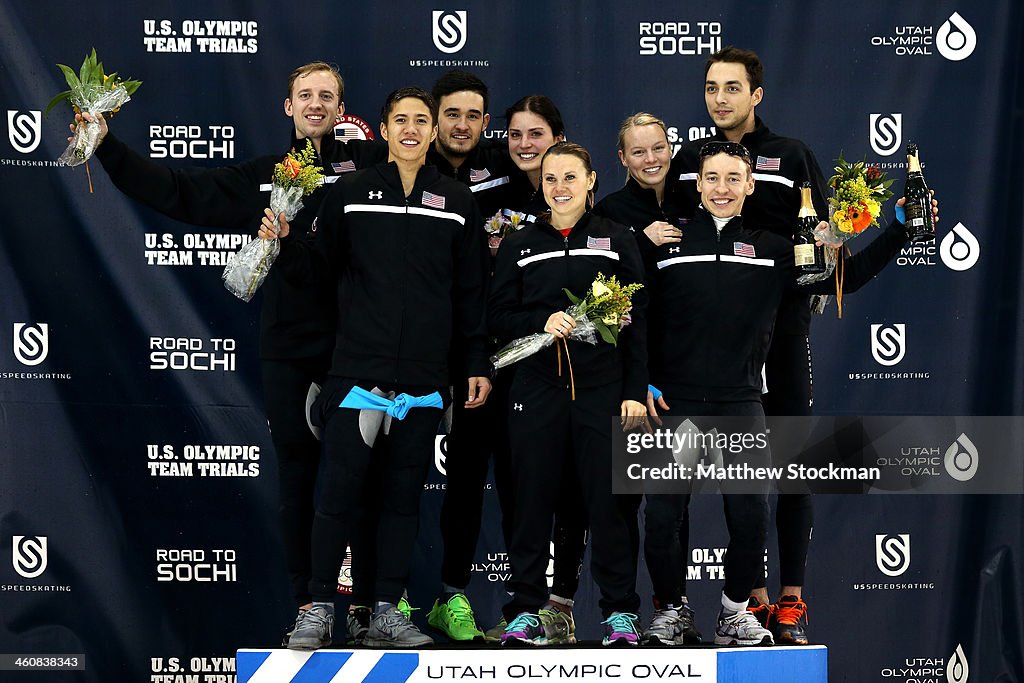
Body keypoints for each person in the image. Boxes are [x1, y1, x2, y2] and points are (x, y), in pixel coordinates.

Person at [76, 62, 381, 644]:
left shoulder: (369, 173)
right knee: (297, 479)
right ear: (287, 107)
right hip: (290, 348)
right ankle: (307, 605)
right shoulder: (265, 177)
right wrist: (107, 145)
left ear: (343, 111)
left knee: (363, 479)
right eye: (305, 95)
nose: (316, 104)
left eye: (327, 96)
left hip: (359, 351)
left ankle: (368, 606)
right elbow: (181, 194)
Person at [645, 141, 931, 645]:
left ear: (750, 186)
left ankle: (734, 612)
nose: (722, 188)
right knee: (663, 517)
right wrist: (638, 381)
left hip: (741, 403)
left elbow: (846, 276)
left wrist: (901, 230)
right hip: (678, 406)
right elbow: (634, 316)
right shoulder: (665, 245)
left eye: (734, 178)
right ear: (696, 184)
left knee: (751, 517)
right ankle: (671, 612)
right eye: (712, 178)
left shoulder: (775, 249)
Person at [268, 86, 491, 650]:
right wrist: (287, 243)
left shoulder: (459, 202)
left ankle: (388, 610)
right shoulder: (350, 193)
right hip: (357, 374)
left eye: (422, 120)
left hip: (421, 379)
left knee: (401, 498)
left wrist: (472, 363)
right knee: (336, 494)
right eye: (401, 120)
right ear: (385, 131)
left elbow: (470, 295)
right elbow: (319, 273)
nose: (413, 129)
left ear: (433, 132)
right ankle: (318, 608)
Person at [488, 142, 648, 647]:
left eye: (570, 177)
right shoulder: (520, 243)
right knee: (532, 503)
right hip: (536, 392)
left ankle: (619, 612)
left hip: (602, 393)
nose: (560, 188)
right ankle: (525, 610)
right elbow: (497, 317)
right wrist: (541, 320)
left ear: (591, 179)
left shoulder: (617, 238)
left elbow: (637, 325)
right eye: (551, 178)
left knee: (609, 506)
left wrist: (634, 393)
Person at [592, 112, 700, 646]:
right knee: (628, 504)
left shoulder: (697, 197)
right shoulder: (611, 212)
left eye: (658, 148)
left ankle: (672, 607)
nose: (651, 159)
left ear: (671, 146)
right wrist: (640, 238)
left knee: (675, 504)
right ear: (621, 160)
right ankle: (623, 612)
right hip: (637, 381)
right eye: (638, 152)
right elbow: (611, 306)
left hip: (692, 375)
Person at [425, 71, 524, 642]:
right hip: (436, 352)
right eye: (452, 114)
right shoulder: (410, 171)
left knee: (519, 482)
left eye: (473, 116)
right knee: (454, 479)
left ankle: (526, 604)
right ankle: (442, 595)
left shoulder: (509, 171)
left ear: (486, 123)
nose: (462, 125)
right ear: (435, 116)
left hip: (508, 352)